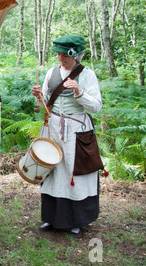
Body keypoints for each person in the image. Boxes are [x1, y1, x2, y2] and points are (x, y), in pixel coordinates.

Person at [31, 35, 103, 238]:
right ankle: (51, 217)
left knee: (75, 173)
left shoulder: (87, 75)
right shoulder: (52, 73)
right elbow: (45, 103)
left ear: (75, 55)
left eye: (64, 55)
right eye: (58, 54)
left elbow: (96, 107)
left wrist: (79, 92)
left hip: (77, 132)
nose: (60, 59)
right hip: (53, 128)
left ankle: (76, 221)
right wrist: (39, 96)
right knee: (52, 171)